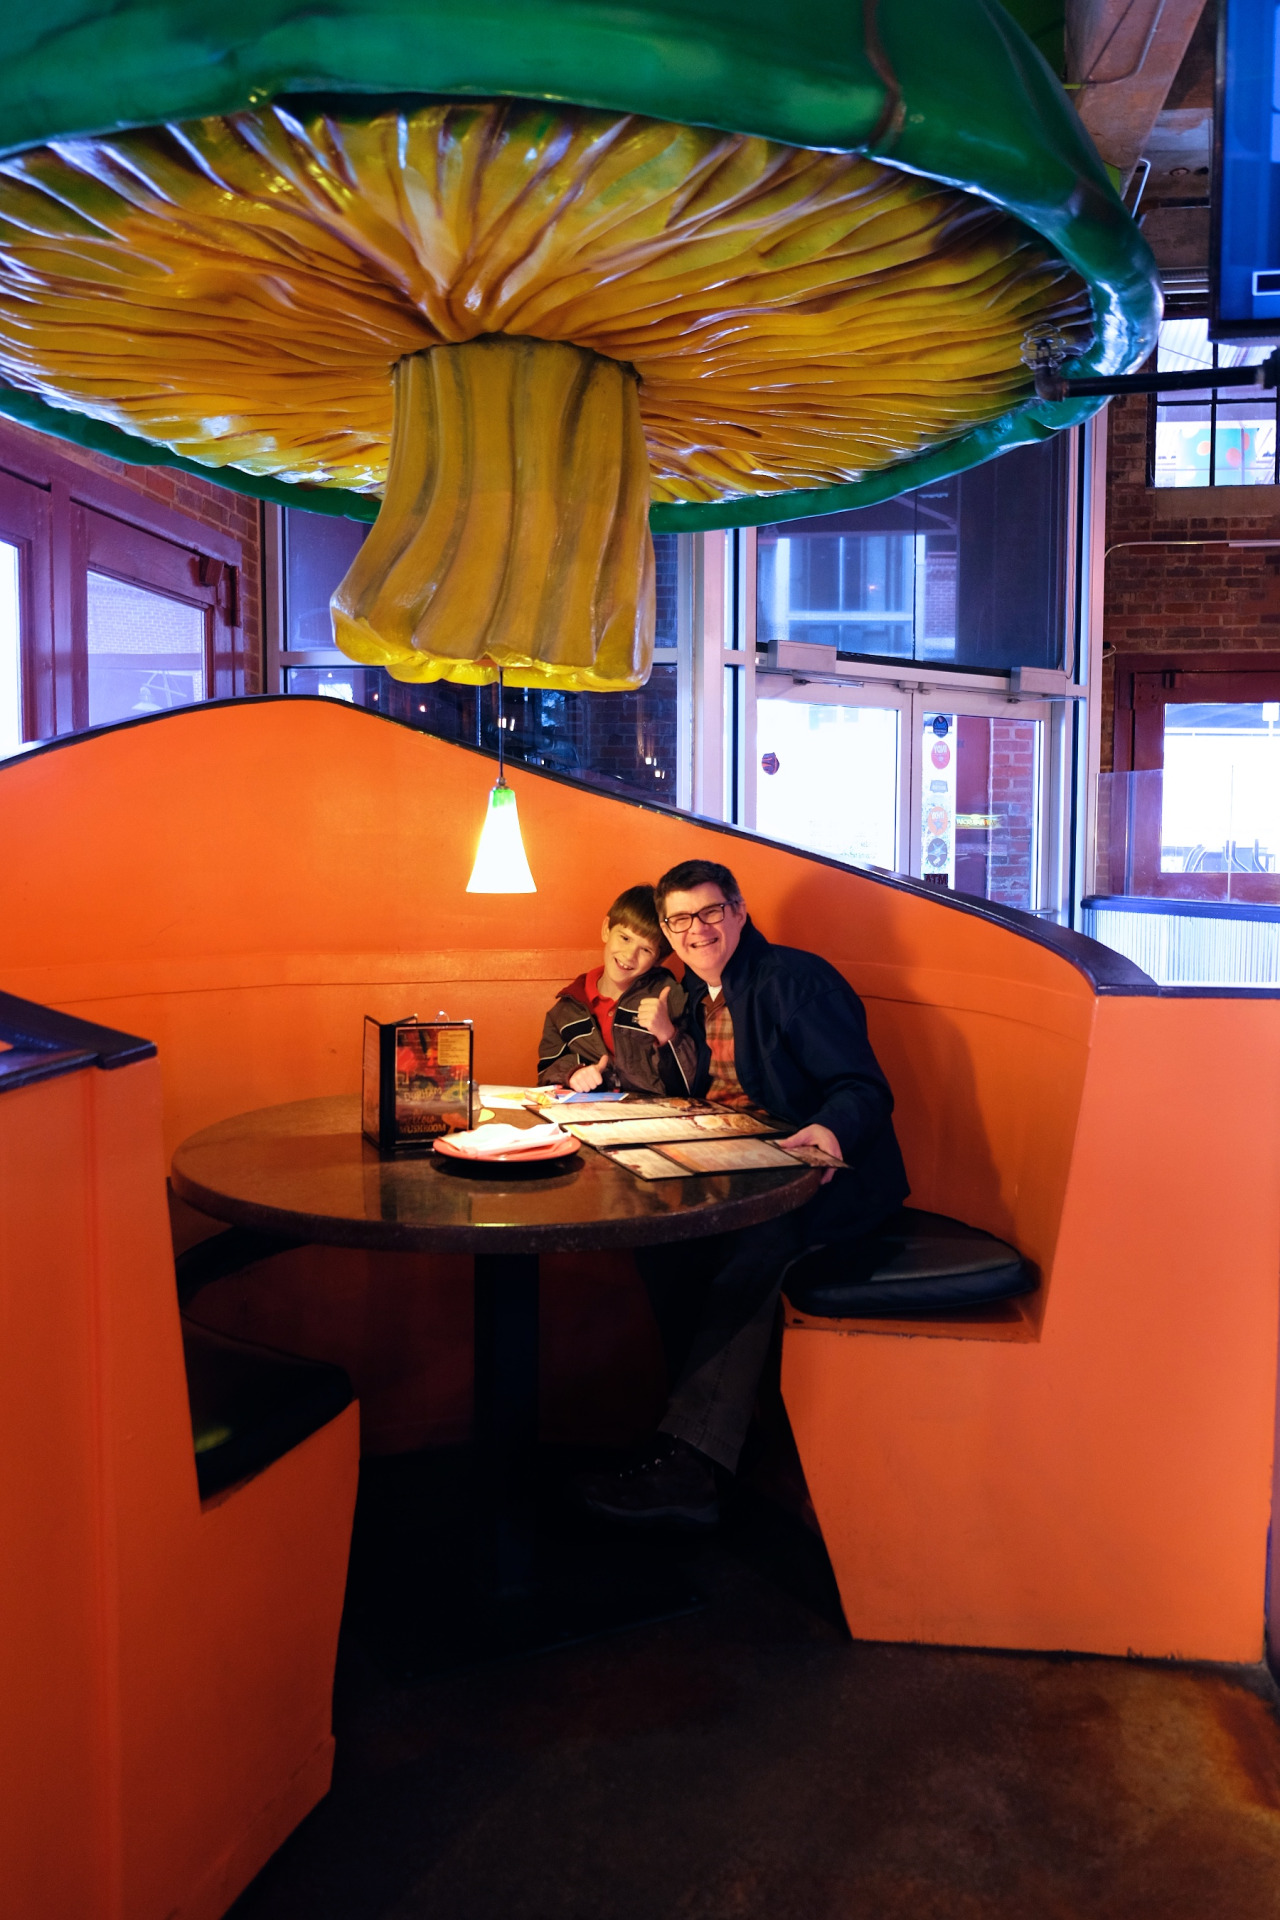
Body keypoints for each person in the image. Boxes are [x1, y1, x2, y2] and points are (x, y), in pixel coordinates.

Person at [580, 858, 909, 1529]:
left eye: (709, 912)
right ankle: (701, 1439)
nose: (696, 930)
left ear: (738, 910)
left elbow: (864, 1090)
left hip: (824, 1184)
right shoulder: (694, 997)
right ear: (668, 934)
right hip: (740, 1171)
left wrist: (825, 1130)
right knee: (662, 1244)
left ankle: (692, 1466)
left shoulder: (796, 981)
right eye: (680, 920)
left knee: (755, 1248)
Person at [537, 883, 697, 1095]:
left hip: (652, 1120)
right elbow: (545, 1075)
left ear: (658, 959)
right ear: (606, 929)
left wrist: (667, 1034)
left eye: (646, 949)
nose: (630, 955)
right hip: (589, 1118)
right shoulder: (566, 1010)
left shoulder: (671, 999)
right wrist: (573, 1074)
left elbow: (691, 1085)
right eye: (625, 938)